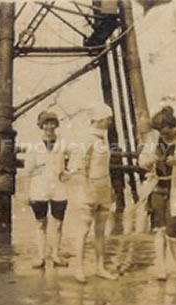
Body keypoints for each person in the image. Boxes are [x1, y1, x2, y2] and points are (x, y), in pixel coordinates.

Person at [139, 106, 176, 281]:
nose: (164, 136)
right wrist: (148, 162)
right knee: (160, 230)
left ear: (173, 126)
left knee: (174, 233)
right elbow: (142, 161)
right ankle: (161, 268)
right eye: (161, 133)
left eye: (167, 132)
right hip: (157, 187)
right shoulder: (153, 138)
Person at [64, 103, 118, 283]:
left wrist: (110, 190)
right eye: (108, 119)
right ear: (100, 119)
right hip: (88, 189)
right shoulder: (86, 138)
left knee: (101, 231)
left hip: (103, 187)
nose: (110, 122)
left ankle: (100, 267)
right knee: (83, 230)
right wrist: (85, 191)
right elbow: (78, 167)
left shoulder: (103, 139)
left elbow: (104, 166)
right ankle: (79, 268)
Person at [25, 111, 69, 268]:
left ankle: (56, 255)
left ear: (56, 125)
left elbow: (73, 161)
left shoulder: (63, 144)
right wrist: (26, 193)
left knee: (57, 223)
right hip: (39, 187)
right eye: (46, 123)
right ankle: (41, 257)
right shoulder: (34, 145)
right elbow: (28, 170)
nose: (49, 126)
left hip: (58, 187)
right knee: (40, 223)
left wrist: (66, 172)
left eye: (52, 123)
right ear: (41, 126)